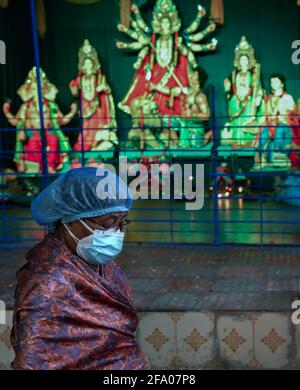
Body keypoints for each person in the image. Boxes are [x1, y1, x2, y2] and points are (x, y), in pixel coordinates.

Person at [11, 167, 150, 370]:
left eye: (121, 223)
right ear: (70, 220)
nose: (115, 233)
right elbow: (33, 361)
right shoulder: (46, 284)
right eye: (107, 223)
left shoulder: (100, 264)